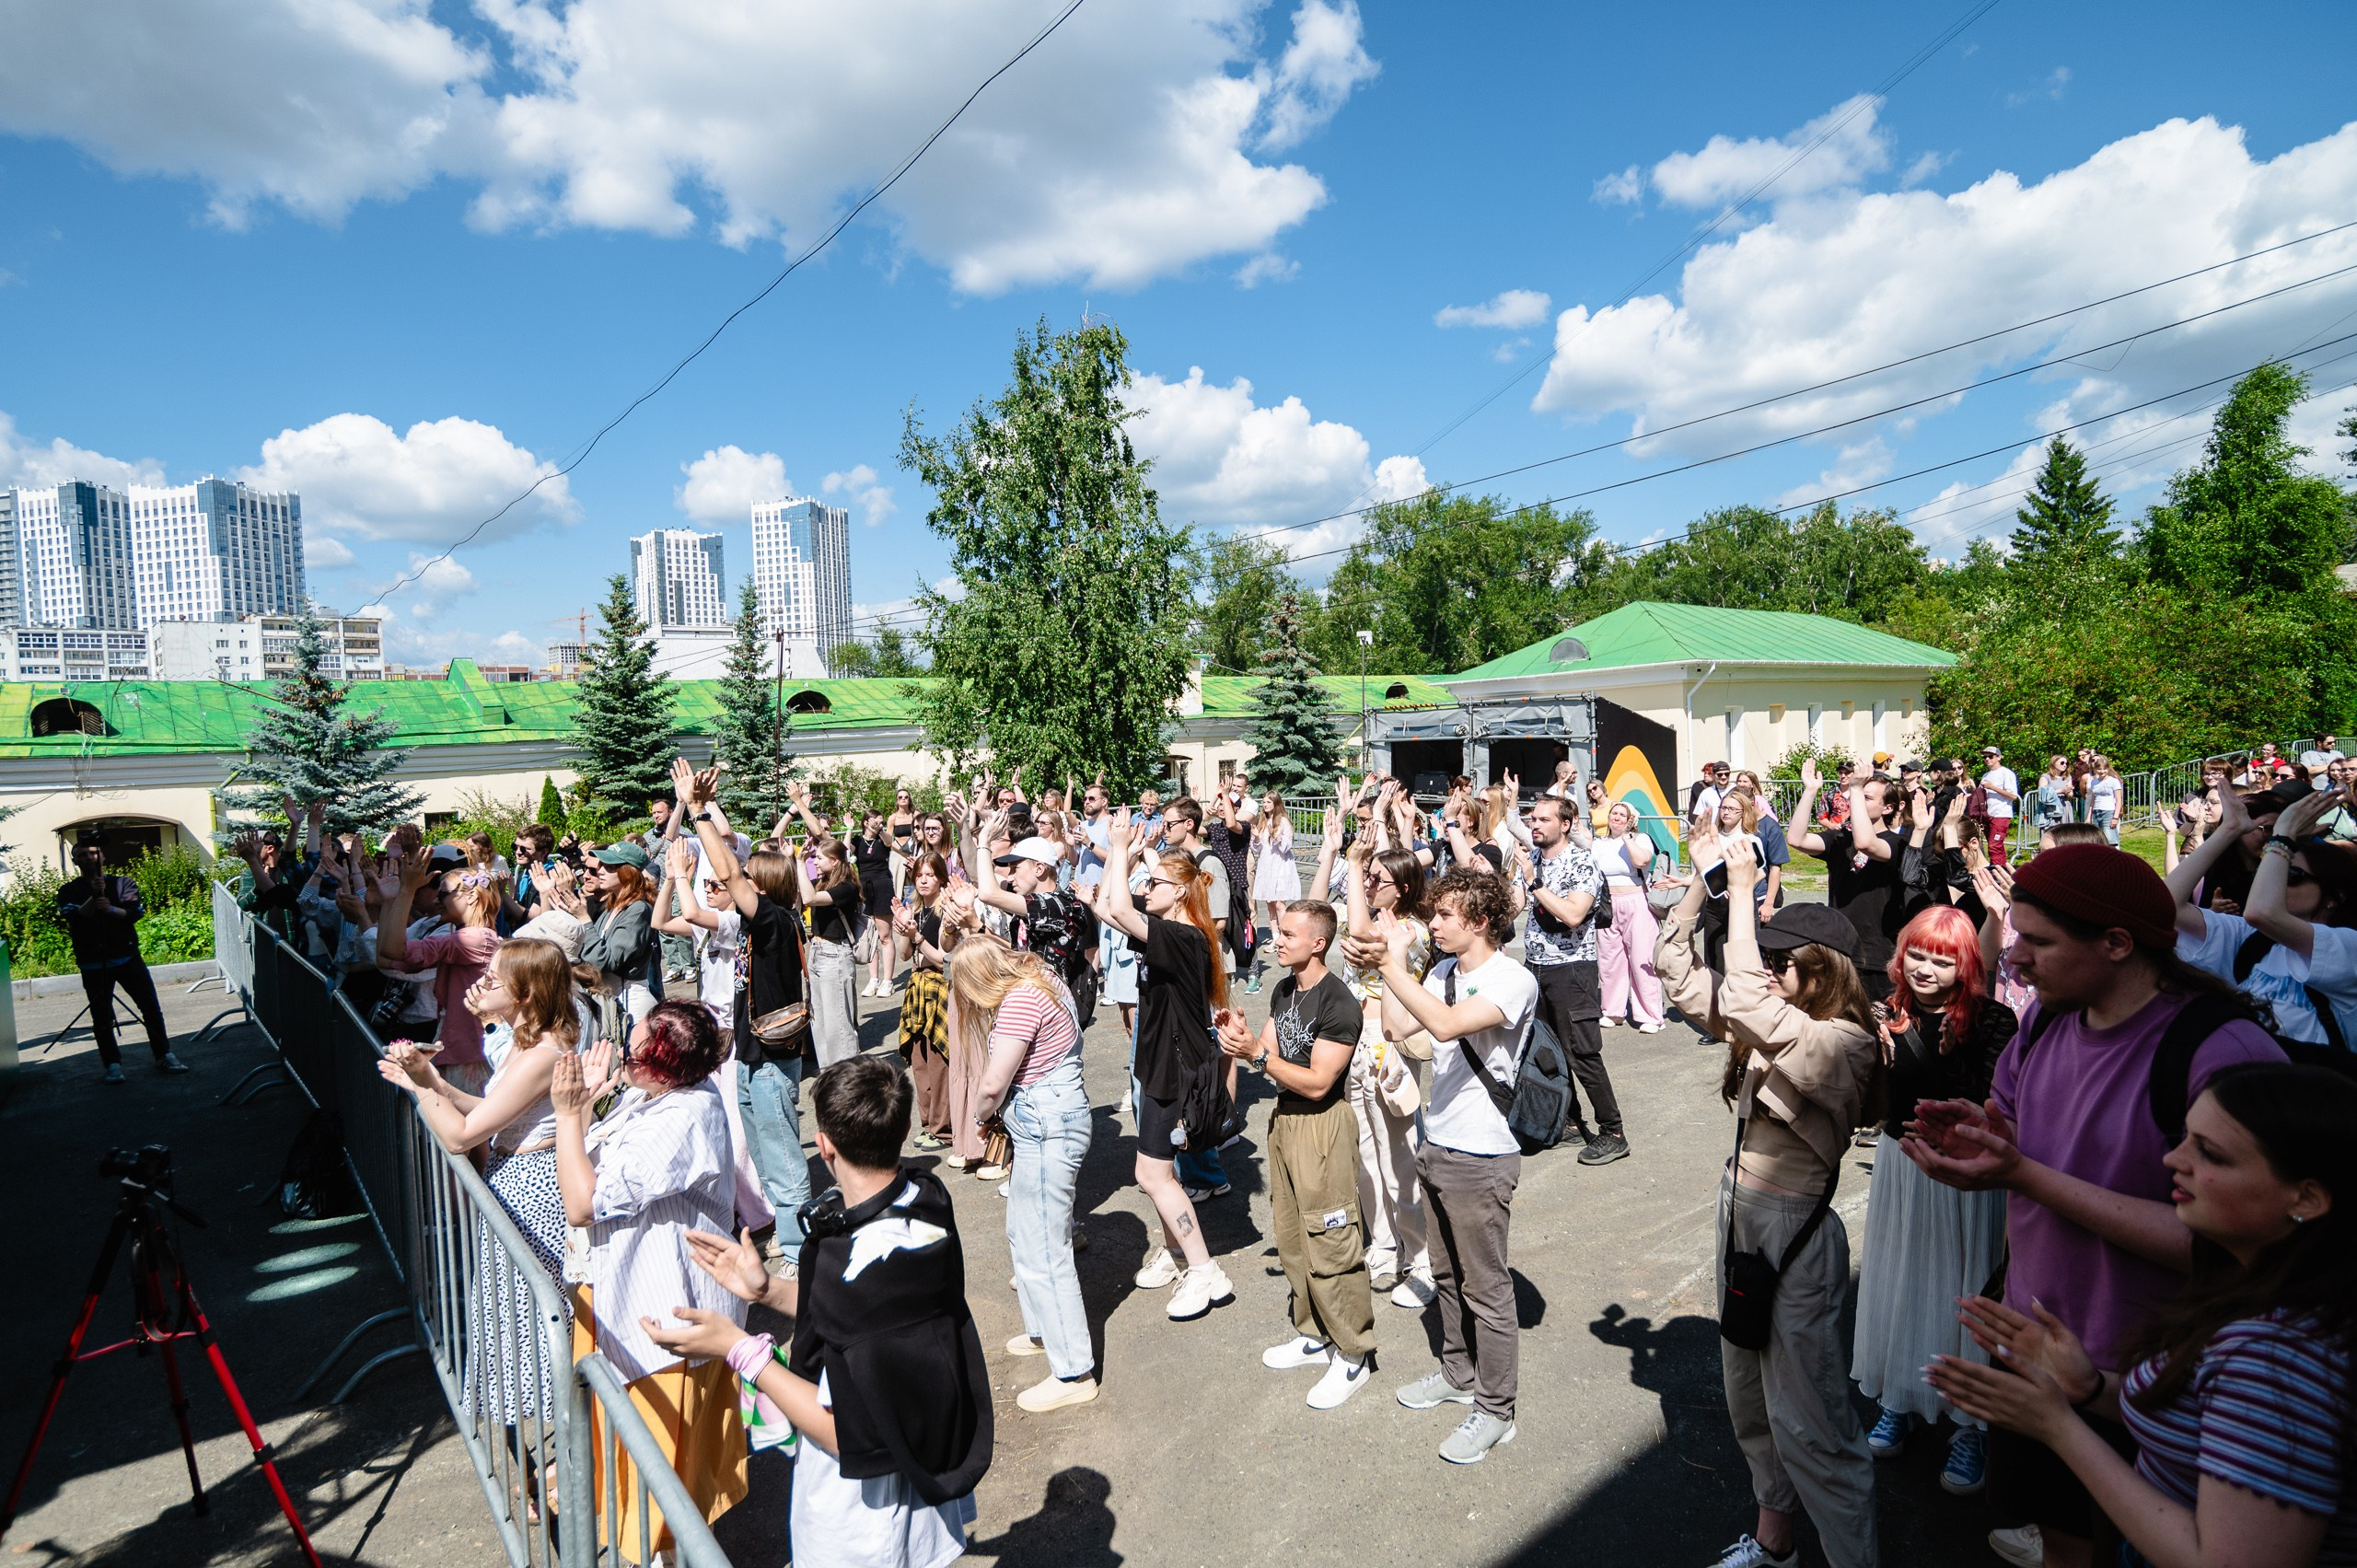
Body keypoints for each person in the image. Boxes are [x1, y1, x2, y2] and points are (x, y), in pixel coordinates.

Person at [1905, 843, 2284, 1568]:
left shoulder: (2219, 1050)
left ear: (2116, 943)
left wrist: (2023, 1174)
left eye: (2038, 941)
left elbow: (2245, 1244)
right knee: (2064, 1544)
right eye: (2015, 935)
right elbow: (2025, 1130)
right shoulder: (2048, 1021)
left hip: (2158, 1376)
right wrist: (1985, 1133)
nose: (2014, 959)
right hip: (2040, 1348)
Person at [1926, 1063, 2356, 1568]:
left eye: (2210, 1153)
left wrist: (2059, 1427)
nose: (2174, 1159)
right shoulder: (2265, 1294)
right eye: (2186, 1139)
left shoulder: (2278, 1357)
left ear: (2306, 1198)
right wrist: (2089, 1388)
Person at [644, 1055, 993, 1568]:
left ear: (824, 1145)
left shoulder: (849, 1270)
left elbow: (841, 1428)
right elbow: (865, 1309)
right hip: (928, 1466)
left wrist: (739, 1351)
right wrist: (767, 1291)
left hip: (864, 1516)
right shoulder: (926, 1199)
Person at [1657, 838, 1882, 1568]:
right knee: (1750, 1399)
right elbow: (1675, 968)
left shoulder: (1843, 1041)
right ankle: (1776, 1537)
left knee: (1813, 1420)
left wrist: (1752, 886)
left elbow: (1747, 995)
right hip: (1742, 1214)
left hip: (1796, 1230)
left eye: (1787, 960)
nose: (1771, 968)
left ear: (1821, 970)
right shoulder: (1778, 1015)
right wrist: (1702, 882)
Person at [552, 1000, 748, 1556]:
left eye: (633, 1046)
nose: (621, 1050)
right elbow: (588, 1165)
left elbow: (582, 1201)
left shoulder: (682, 1117)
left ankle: (671, 1548)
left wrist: (568, 1115)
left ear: (661, 1063)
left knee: (662, 1459)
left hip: (664, 1313)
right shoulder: (659, 1092)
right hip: (625, 1297)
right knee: (633, 1446)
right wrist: (587, 1103)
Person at [378, 938, 584, 1448]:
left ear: (527, 994)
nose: (482, 983)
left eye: (494, 978)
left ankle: (564, 1453)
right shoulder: (523, 1040)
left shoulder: (545, 1052)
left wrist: (420, 1088)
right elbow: (488, 1108)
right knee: (512, 1319)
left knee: (533, 1322)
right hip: (513, 1180)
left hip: (534, 1193)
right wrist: (430, 1078)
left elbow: (460, 1135)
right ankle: (540, 1456)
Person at [1850, 905, 2018, 1494]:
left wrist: (1954, 1054)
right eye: (1917, 954)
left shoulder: (1994, 1021)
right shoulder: (1879, 1014)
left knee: (1966, 1287)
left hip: (1965, 1173)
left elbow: (1997, 1105)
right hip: (1901, 1167)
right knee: (1901, 1279)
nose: (1925, 968)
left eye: (1942, 959)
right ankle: (1900, 1395)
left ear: (1966, 964)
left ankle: (1969, 1424)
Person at [1376, 866, 1538, 1466]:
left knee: (1487, 1288)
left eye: (1445, 914)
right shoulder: (1442, 971)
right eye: (1433, 913)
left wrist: (1390, 965)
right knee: (1444, 1275)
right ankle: (1456, 1372)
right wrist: (1395, 961)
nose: (1434, 923)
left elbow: (1445, 1025)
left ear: (1481, 918)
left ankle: (1497, 1410)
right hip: (1436, 1139)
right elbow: (1398, 1026)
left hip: (1483, 1152)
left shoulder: (1513, 980)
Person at [1219, 900, 1376, 1410]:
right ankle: (1314, 1334)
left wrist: (1258, 1056)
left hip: (1321, 1126)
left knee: (1331, 1240)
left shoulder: (1339, 1002)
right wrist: (1241, 1038)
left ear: (1318, 942)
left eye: (1288, 934)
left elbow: (1316, 1083)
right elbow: (1267, 1045)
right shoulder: (1286, 988)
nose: (1276, 940)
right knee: (1291, 1237)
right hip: (1285, 1124)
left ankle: (1353, 1353)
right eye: (1279, 932)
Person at [1097, 808, 1236, 1322]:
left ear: (1178, 892)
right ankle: (1178, 1252)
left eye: (1153, 883)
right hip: (1161, 1064)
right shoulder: (1171, 928)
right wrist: (1131, 858)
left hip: (1177, 1071)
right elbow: (1107, 909)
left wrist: (1117, 848)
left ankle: (1203, 1270)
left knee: (1155, 1175)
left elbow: (1116, 906)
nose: (1145, 888)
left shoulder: (1184, 938)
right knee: (1150, 1171)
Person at [673, 764, 813, 1267]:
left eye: (749, 878)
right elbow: (724, 876)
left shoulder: (772, 921)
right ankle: (783, 1229)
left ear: (763, 888)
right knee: (763, 1154)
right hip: (752, 1056)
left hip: (774, 1060)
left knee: (782, 1157)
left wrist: (698, 811)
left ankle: (800, 1252)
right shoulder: (751, 928)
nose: (734, 881)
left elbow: (730, 868)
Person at [953, 937, 1097, 1412]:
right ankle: (1042, 1330)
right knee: (1024, 1232)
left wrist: (977, 1116)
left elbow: (994, 1082)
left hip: (1046, 1125)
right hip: (1050, 1122)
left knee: (1044, 1247)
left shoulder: (1018, 1000)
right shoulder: (1041, 977)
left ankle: (1074, 1371)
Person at [1320, 799, 1436, 1308]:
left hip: (1388, 1046)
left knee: (1399, 1157)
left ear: (1403, 890)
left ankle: (1425, 1259)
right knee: (1365, 1154)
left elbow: (1365, 936)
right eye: (1366, 878)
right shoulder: (1372, 916)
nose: (1367, 885)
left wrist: (1351, 864)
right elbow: (1331, 920)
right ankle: (1385, 1244)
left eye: (1377, 880)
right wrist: (1338, 855)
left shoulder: (1413, 930)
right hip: (1354, 1044)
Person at [2169, 785, 2357, 1048]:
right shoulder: (2255, 941)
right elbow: (2170, 904)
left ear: (2334, 897)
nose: (2277, 882)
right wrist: (2229, 830)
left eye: (2291, 876)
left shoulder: (2348, 947)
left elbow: (2261, 913)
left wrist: (2283, 835)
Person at [1522, 795, 1626, 1164]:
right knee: (1546, 1051)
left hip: (1572, 969)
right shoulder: (1532, 859)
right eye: (1533, 819)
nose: (1535, 824)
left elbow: (1573, 915)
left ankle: (1613, 1131)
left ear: (1565, 825)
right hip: (1535, 967)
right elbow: (1516, 905)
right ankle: (1566, 1121)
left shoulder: (1582, 862)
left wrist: (1535, 885)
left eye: (1544, 820)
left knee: (1581, 1052)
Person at [57, 831, 182, 1082]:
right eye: (82, 854)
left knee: (150, 1008)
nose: (88, 857)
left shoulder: (123, 883)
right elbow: (74, 917)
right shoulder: (68, 890)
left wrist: (111, 908)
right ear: (76, 861)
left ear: (102, 856)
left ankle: (164, 1055)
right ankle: (112, 1065)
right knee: (102, 1016)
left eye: (93, 853)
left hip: (126, 956)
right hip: (93, 961)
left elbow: (135, 912)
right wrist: (94, 897)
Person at [377, 849, 505, 1095]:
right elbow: (384, 956)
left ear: (470, 897)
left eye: (443, 894)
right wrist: (388, 901)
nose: (437, 901)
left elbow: (394, 951)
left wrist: (406, 892)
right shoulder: (472, 937)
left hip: (469, 1054)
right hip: (462, 1048)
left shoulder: (471, 939)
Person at [1789, 757, 1915, 1001]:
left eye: (1867, 798)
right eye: (1858, 795)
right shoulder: (1841, 839)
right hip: (1839, 948)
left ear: (1888, 808)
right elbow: (1796, 839)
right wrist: (1810, 790)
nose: (1855, 801)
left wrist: (1856, 789)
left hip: (1876, 955)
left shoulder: (1897, 843)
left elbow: (1866, 843)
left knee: (1876, 1031)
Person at [785, 782, 864, 1070]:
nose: (814, 862)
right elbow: (799, 900)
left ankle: (848, 1079)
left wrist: (799, 861)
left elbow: (809, 898)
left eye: (819, 858)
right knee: (819, 1022)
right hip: (817, 954)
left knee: (839, 1025)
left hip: (836, 957)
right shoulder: (824, 880)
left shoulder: (845, 886)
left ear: (834, 860)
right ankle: (830, 1075)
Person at [895, 854, 958, 1150]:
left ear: (942, 879)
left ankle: (942, 1128)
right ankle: (927, 1124)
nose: (922, 880)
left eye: (930, 875)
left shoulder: (947, 912)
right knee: (918, 1062)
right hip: (917, 989)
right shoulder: (916, 909)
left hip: (939, 989)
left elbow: (945, 959)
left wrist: (917, 937)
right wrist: (904, 929)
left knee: (939, 1063)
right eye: (919, 874)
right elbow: (906, 956)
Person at [1593, 802, 1666, 1031]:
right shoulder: (1599, 844)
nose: (1617, 817)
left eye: (1622, 814)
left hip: (1636, 901)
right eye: (1614, 813)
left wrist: (1627, 837)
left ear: (1631, 819)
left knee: (1641, 959)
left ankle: (1651, 1016)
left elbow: (1642, 861)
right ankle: (1613, 1011)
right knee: (1610, 959)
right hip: (1607, 904)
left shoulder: (1640, 839)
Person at [1251, 790, 1303, 990]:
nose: (1264, 805)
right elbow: (1257, 849)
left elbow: (1286, 847)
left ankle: (1285, 935)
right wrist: (1256, 838)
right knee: (1269, 904)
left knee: (1280, 903)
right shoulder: (1262, 821)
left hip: (1280, 866)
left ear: (1276, 803)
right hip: (1266, 866)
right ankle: (1274, 939)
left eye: (1268, 802)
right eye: (1263, 801)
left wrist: (1277, 835)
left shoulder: (1283, 822)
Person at [853, 810, 898, 998]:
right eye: (875, 821)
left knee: (884, 935)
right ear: (865, 822)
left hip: (882, 885)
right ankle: (873, 979)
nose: (878, 824)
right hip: (864, 887)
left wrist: (880, 830)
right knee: (870, 936)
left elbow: (890, 843)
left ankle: (887, 980)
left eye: (881, 821)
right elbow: (845, 850)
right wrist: (848, 830)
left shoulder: (882, 839)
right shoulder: (857, 841)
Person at [1980, 746, 2020, 865]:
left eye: (1990, 756)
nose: (1987, 759)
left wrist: (1992, 787)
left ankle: (1996, 871)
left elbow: (2013, 796)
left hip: (2001, 814)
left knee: (1994, 846)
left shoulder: (2006, 773)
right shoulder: (1986, 776)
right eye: (1985, 757)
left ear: (1999, 757)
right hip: (1988, 815)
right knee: (1997, 846)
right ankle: (2003, 870)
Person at [2085, 757, 2123, 846]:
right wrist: (2088, 817)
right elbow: (2092, 801)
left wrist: (2115, 817)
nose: (2102, 771)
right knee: (2097, 839)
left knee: (2109, 840)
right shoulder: (2094, 782)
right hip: (2096, 812)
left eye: (2104, 769)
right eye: (2099, 769)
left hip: (2108, 812)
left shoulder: (2113, 781)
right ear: (2095, 769)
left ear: (2108, 769)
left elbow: (2118, 800)